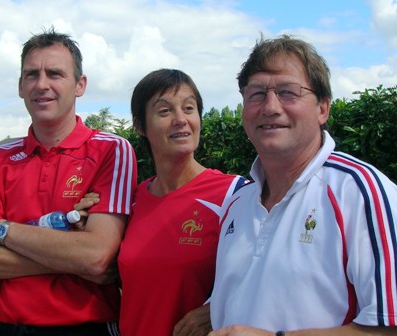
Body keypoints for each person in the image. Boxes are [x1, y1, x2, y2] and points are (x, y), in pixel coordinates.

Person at [209, 34, 397, 335]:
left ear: (323, 108)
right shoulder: (236, 203)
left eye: (288, 92)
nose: (270, 107)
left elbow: (390, 326)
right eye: (256, 93)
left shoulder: (361, 192)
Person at [0, 27, 137, 336]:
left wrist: (3, 229)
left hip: (83, 329)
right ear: (20, 86)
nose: (41, 84)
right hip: (6, 329)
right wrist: (72, 257)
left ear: (80, 85)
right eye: (31, 74)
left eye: (55, 73)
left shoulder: (111, 150)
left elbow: (96, 256)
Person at [115, 69, 246, 336]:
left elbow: (267, 275)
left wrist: (215, 309)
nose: (180, 120)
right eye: (164, 111)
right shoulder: (132, 200)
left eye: (189, 108)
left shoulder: (236, 194)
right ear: (140, 126)